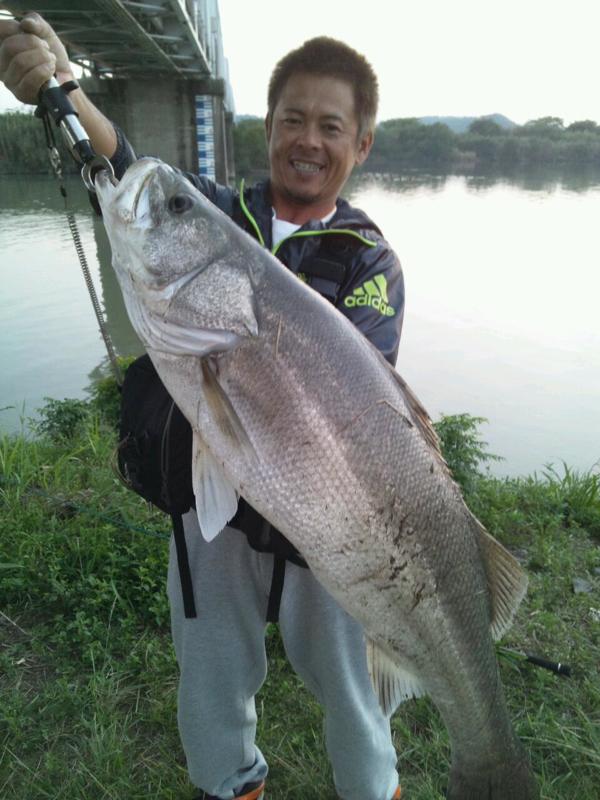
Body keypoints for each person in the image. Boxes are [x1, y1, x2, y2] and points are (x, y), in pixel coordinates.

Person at [0, 13, 405, 800]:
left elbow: (364, 390)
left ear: (360, 146)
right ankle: (231, 787)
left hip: (327, 523)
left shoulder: (370, 259)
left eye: (331, 126)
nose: (308, 140)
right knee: (213, 680)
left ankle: (377, 789)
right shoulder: (218, 213)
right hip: (209, 505)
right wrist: (63, 90)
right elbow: (127, 165)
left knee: (353, 693)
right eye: (293, 119)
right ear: (267, 127)